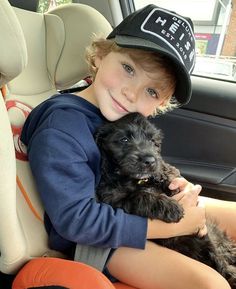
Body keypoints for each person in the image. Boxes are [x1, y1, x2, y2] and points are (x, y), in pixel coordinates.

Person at [21, 4, 235, 289]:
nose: (131, 92)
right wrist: (181, 225)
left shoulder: (121, 115)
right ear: (100, 55)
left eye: (151, 91)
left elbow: (146, 162)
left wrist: (176, 184)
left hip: (138, 207)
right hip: (99, 241)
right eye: (128, 68)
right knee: (210, 285)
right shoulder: (62, 127)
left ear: (161, 104)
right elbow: (78, 221)